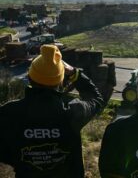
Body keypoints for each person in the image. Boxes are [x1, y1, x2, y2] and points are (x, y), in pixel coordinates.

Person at [0, 45, 105, 178]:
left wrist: (23, 161)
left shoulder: (9, 112)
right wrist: (74, 73)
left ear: (30, 77)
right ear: (61, 80)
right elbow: (96, 98)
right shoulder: (73, 111)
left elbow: (3, 151)